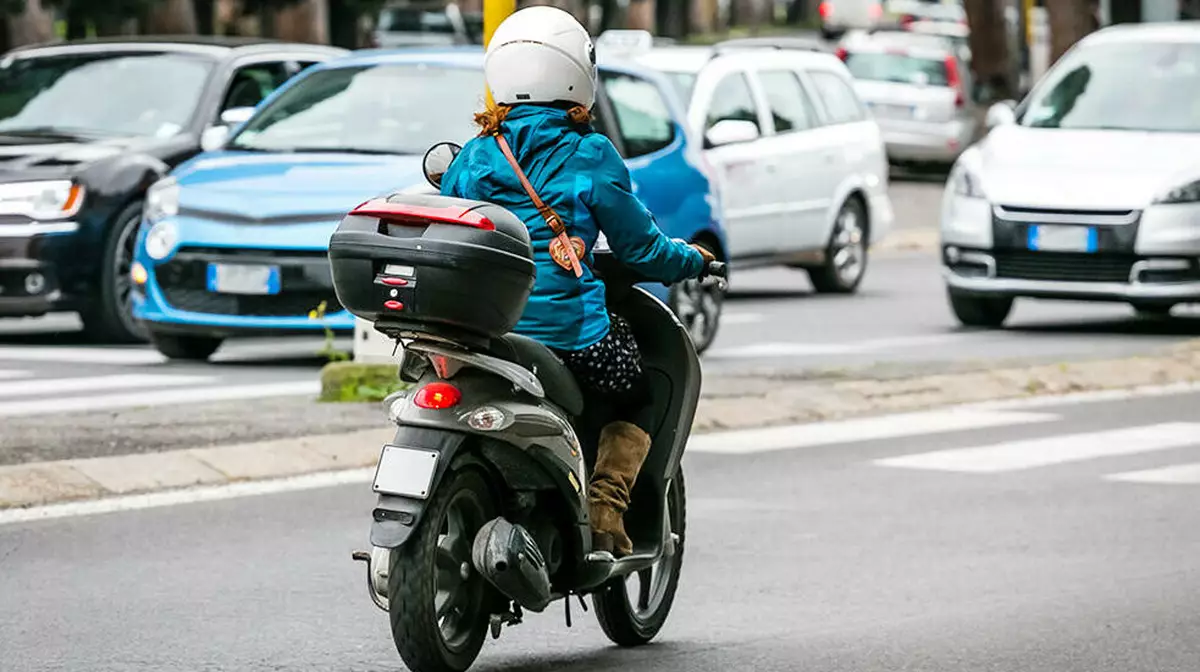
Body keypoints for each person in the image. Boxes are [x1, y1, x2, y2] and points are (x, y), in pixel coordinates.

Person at [439, 5, 714, 558]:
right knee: (638, 394)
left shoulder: (472, 156)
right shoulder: (589, 153)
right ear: (575, 74)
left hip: (484, 332)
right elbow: (642, 249)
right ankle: (607, 507)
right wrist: (692, 261)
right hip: (569, 333)